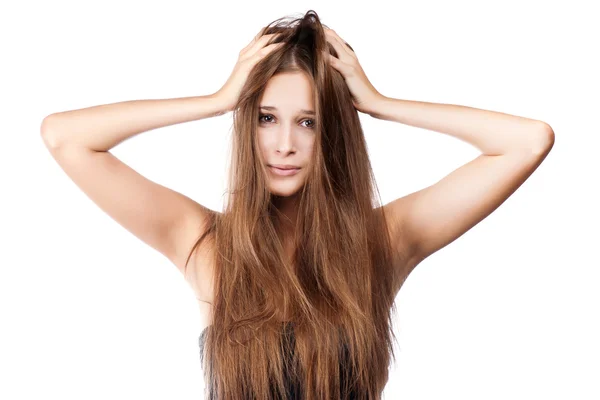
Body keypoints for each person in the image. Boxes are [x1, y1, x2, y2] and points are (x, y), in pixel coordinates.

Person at [40, 9, 554, 400]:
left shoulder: (382, 241)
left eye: (307, 122)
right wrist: (216, 101)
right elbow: (65, 137)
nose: (284, 144)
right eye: (266, 118)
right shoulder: (205, 243)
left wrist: (379, 105)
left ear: (333, 133)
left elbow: (527, 141)